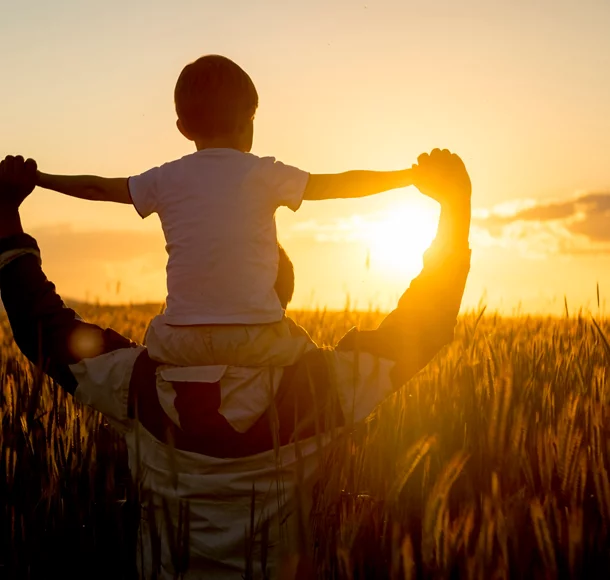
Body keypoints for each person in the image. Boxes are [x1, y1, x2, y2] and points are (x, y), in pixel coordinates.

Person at [0, 148, 472, 579]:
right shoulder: (320, 389)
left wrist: (5, 212)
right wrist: (454, 210)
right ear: (279, 298)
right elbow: (424, 326)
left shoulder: (138, 385)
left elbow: (42, 329)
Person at [30, 54, 422, 374]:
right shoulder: (263, 172)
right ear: (248, 119)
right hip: (257, 338)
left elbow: (97, 187)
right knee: (317, 368)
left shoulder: (165, 178)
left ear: (183, 128)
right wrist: (408, 177)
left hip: (177, 341)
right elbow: (338, 184)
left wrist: (39, 178)